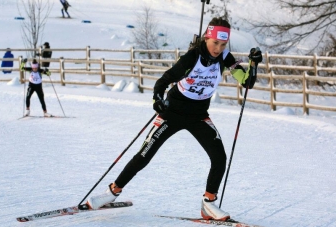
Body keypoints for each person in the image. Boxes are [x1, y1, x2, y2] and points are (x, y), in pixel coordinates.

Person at [86, 17, 262, 221]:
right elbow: (164, 81)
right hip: (172, 113)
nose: (218, 48)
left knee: (219, 157)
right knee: (144, 155)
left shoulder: (225, 58)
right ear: (207, 38)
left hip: (198, 116)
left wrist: (253, 64)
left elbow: (247, 81)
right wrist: (157, 99)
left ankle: (208, 204)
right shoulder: (192, 58)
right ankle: (111, 193)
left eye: (223, 44)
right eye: (215, 43)